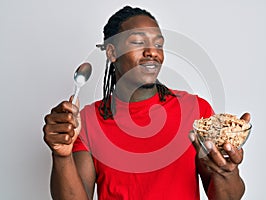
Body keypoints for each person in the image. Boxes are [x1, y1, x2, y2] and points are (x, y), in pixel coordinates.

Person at [43, 6, 250, 200]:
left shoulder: (195, 110)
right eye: (138, 42)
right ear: (112, 53)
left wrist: (226, 172)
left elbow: (227, 196)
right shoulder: (86, 121)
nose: (153, 52)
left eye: (158, 44)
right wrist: (62, 156)